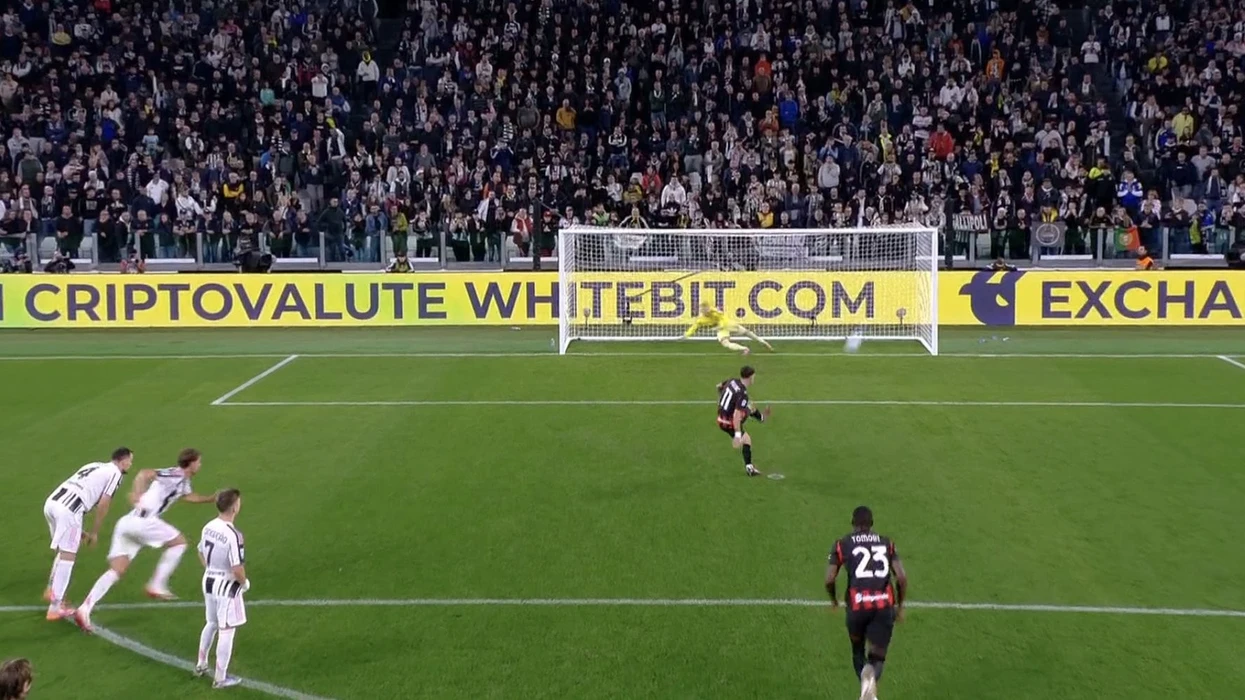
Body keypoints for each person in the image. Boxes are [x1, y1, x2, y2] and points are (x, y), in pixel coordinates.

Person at [73, 449, 217, 633]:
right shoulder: (175, 474)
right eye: (199, 462)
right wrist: (137, 494)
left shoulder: (183, 481)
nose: (200, 465)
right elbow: (144, 473)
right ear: (191, 463)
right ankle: (156, 584)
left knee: (117, 570)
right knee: (179, 543)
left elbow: (188, 496)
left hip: (127, 523)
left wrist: (210, 499)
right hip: (144, 521)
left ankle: (84, 608)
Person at [825, 506, 909, 700]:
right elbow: (902, 578)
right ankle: (869, 684)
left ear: (852, 523)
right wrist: (900, 606)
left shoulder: (842, 544)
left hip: (857, 608)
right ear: (871, 524)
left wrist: (834, 600)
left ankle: (866, 688)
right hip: (883, 607)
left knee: (857, 651)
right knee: (877, 657)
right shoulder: (887, 543)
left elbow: (829, 579)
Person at [42, 448, 133, 620]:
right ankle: (55, 608)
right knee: (68, 555)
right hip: (69, 509)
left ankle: (51, 589)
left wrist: (78, 530)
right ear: (123, 461)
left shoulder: (94, 465)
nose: (130, 464)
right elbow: (104, 503)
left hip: (52, 503)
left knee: (63, 549)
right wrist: (94, 532)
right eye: (130, 460)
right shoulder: (115, 474)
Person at [196, 489, 250, 689]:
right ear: (234, 507)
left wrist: (211, 569)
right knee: (226, 629)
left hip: (208, 580)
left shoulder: (208, 526)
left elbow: (200, 551)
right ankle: (220, 678)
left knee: (211, 622)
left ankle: (201, 664)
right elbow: (237, 568)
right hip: (226, 586)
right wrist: (244, 583)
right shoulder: (233, 535)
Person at [715, 366, 771, 477]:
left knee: (748, 406)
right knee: (747, 439)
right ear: (750, 377)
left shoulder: (732, 381)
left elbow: (719, 386)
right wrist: (737, 435)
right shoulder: (742, 394)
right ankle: (750, 469)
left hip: (721, 417)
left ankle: (761, 418)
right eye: (753, 377)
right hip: (728, 422)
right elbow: (736, 416)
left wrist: (722, 402)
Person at [685, 303, 773, 355]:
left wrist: (719, 326)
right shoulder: (703, 318)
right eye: (703, 310)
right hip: (726, 326)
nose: (705, 311)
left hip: (726, 326)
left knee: (743, 335)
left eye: (705, 309)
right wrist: (687, 334)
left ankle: (754, 345)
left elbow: (721, 317)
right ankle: (752, 346)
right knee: (744, 334)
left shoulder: (713, 312)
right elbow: (694, 327)